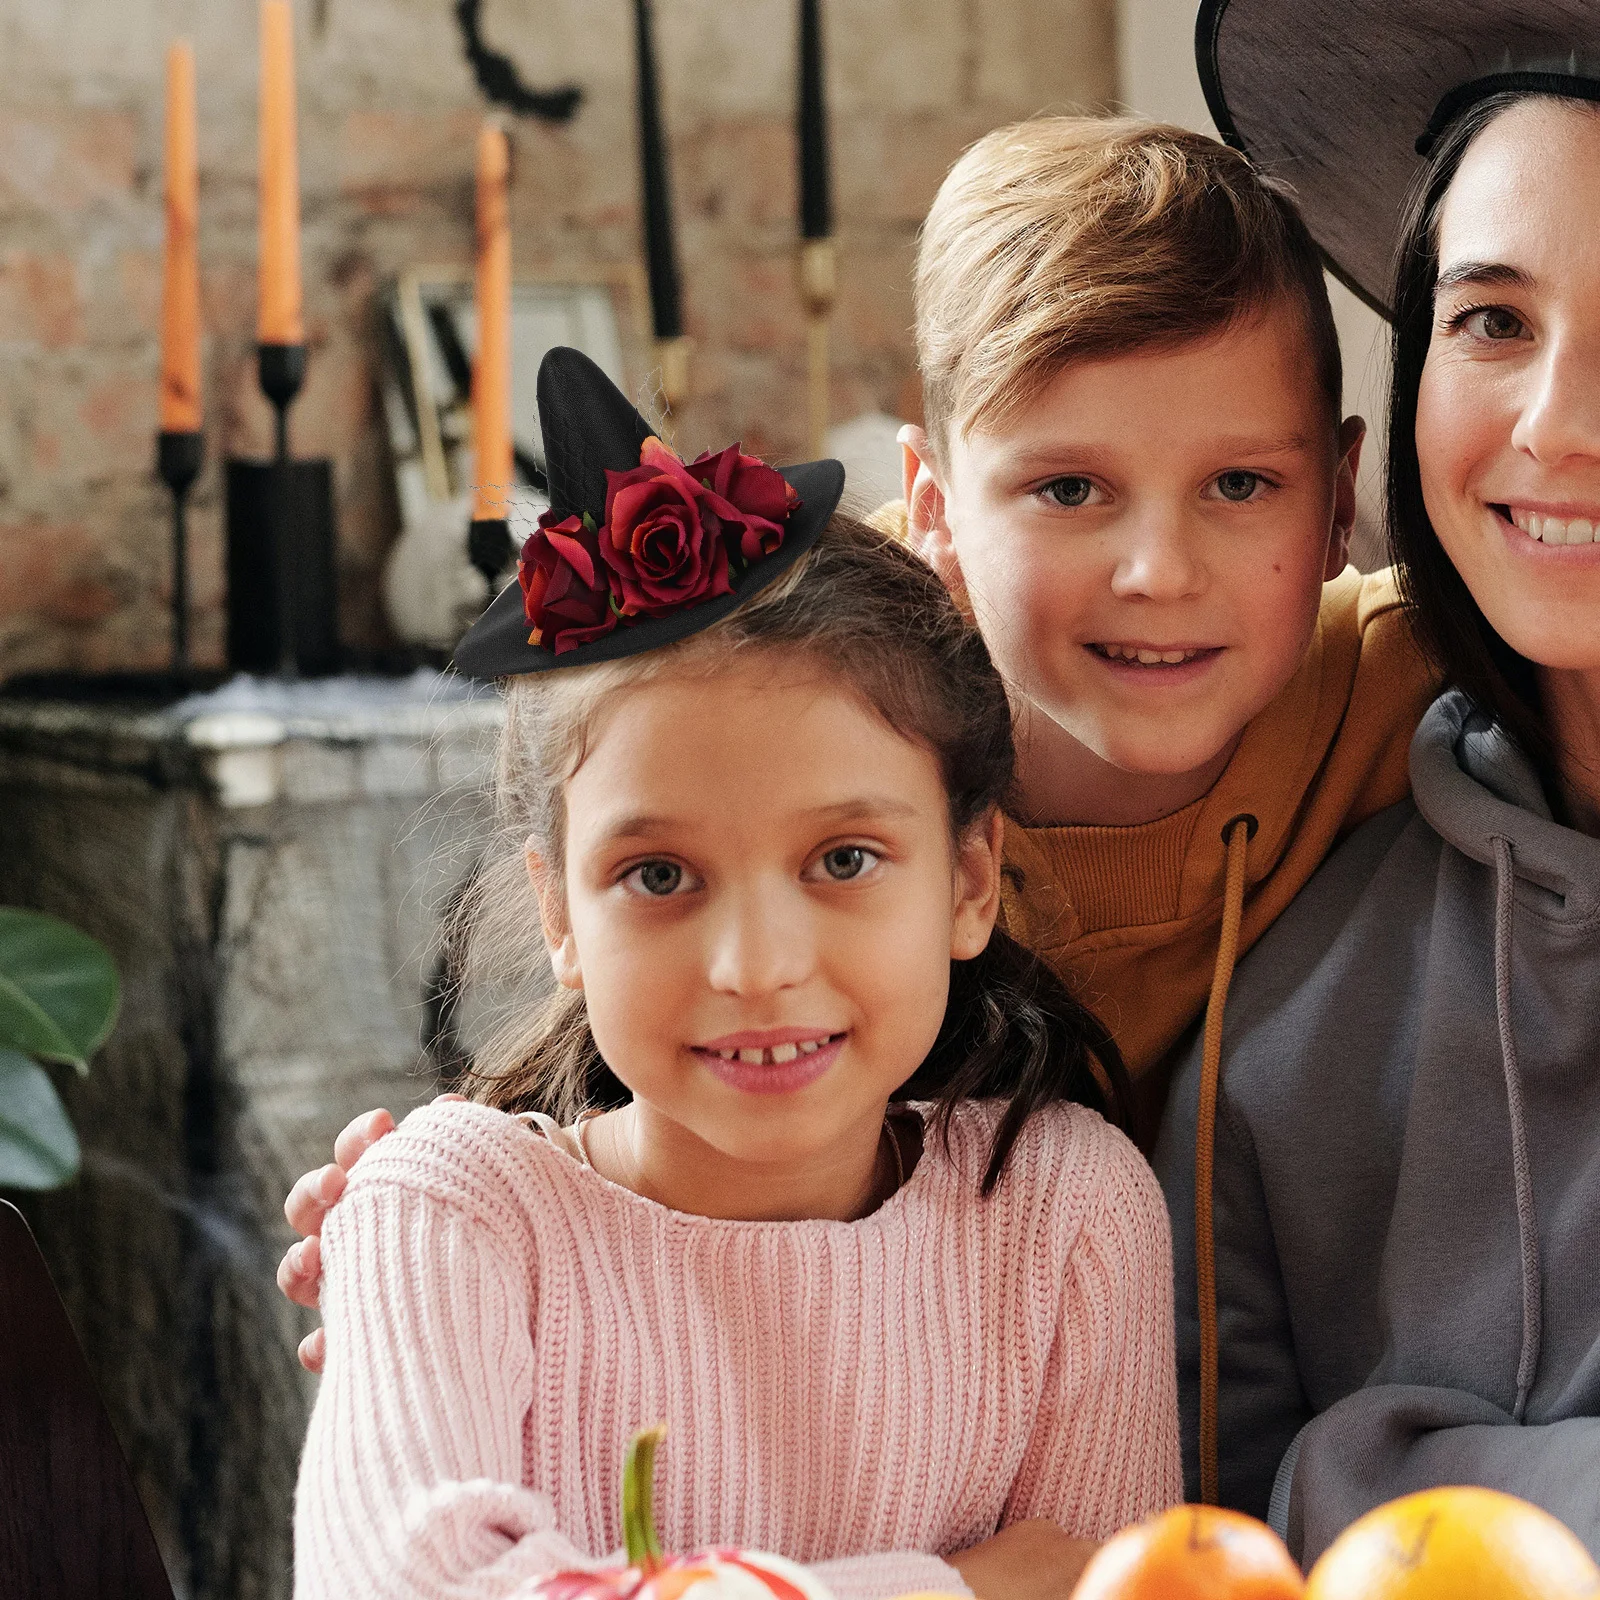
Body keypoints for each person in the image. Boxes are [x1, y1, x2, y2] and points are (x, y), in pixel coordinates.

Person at [280, 114, 1438, 1369]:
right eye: (1067, 489)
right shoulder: (818, 680)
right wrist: (452, 1218)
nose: (1157, 571)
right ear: (934, 509)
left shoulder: (1410, 677)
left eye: (1239, 485)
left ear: (1339, 500)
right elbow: (660, 946)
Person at [294, 347, 1181, 1600]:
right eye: (659, 874)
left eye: (844, 859)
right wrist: (964, 1587)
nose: (755, 967)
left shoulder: (1063, 1216)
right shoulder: (450, 1212)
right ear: (558, 910)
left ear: (970, 879)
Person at [1156, 0, 1600, 1563]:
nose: (1559, 424)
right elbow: (1195, 1547)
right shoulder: (1273, 1035)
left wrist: (1380, 1468)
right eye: (1493, 322)